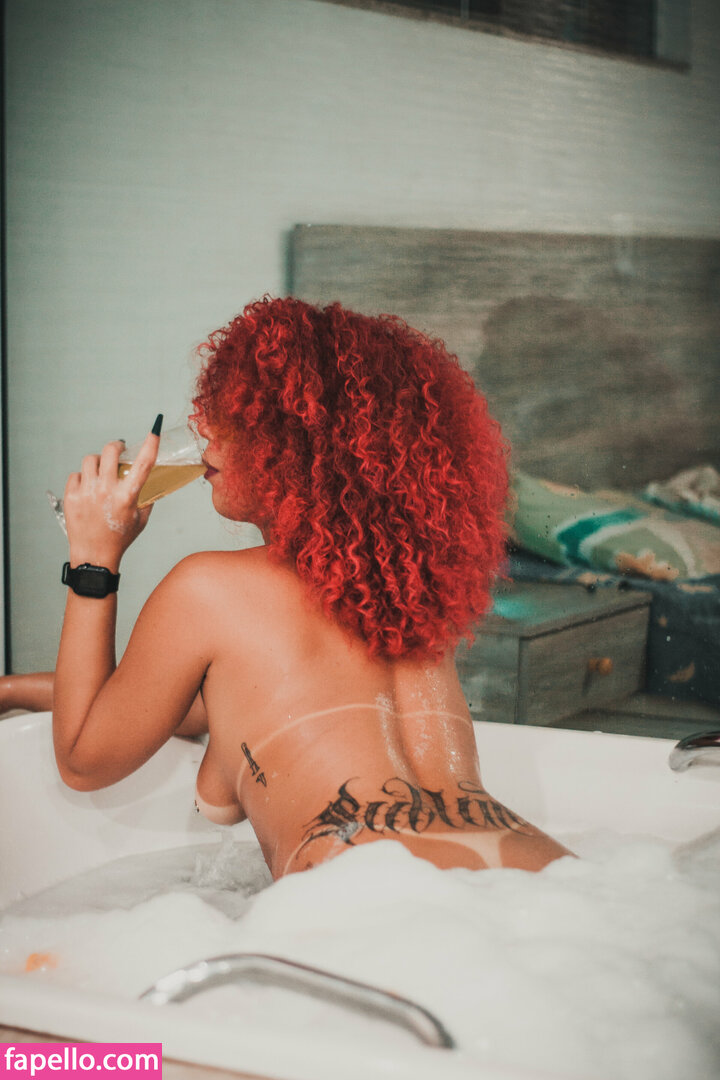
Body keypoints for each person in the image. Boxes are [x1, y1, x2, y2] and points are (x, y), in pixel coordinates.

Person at [5, 297, 572, 877]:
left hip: (373, 892)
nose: (202, 430)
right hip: (541, 873)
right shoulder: (409, 603)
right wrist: (14, 689)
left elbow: (83, 760)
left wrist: (94, 559)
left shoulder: (209, 589)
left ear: (298, 444)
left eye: (235, 416)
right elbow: (185, 701)